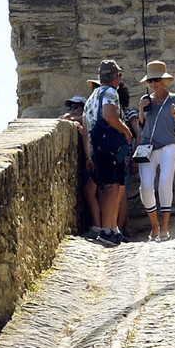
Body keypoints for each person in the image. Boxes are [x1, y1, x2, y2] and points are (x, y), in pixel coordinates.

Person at [135, 60, 175, 241]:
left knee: (165, 182)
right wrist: (141, 111)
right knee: (146, 187)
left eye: (157, 80)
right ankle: (155, 226)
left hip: (168, 145)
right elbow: (142, 127)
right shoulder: (145, 101)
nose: (154, 84)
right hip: (147, 147)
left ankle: (164, 228)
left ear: (164, 81)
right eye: (150, 81)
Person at [84, 60, 131, 244]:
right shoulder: (111, 92)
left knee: (111, 186)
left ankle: (111, 228)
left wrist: (89, 154)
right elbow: (109, 116)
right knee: (112, 188)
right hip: (110, 146)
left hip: (97, 147)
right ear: (116, 77)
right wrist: (126, 130)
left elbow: (87, 123)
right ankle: (107, 230)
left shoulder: (92, 96)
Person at [61, 93, 100, 238]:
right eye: (70, 107)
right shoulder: (79, 120)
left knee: (91, 192)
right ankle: (99, 227)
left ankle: (98, 227)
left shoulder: (88, 119)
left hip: (94, 159)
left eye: (76, 107)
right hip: (89, 160)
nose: (72, 110)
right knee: (92, 193)